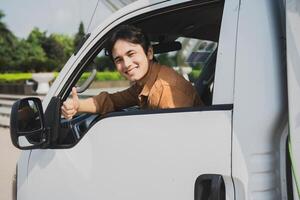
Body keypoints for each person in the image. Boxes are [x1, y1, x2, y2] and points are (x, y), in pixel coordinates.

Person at [61, 25, 203, 119]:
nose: (127, 64)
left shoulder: (164, 90)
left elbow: (174, 144)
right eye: (119, 60)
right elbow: (112, 101)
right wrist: (77, 106)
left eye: (131, 54)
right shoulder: (144, 83)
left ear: (149, 53)